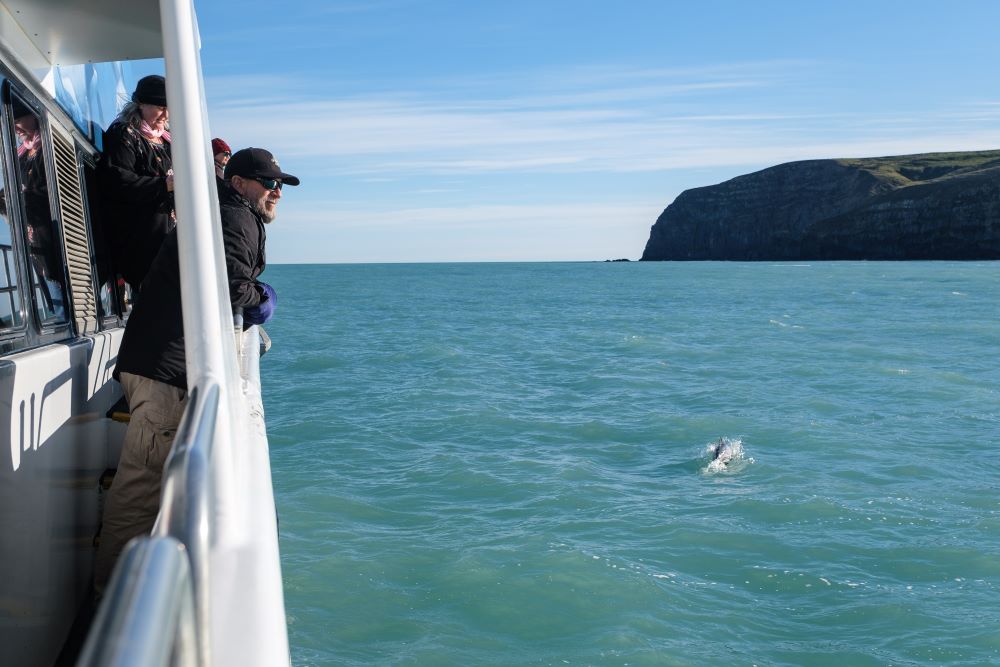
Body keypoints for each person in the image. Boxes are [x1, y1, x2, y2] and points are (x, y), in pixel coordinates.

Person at [94, 147, 299, 592]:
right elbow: (233, 283)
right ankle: (110, 594)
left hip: (160, 362)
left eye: (281, 186)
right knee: (141, 486)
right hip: (165, 369)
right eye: (269, 183)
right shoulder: (233, 217)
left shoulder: (229, 214)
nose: (276, 193)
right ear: (240, 183)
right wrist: (263, 301)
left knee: (150, 482)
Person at [99, 74, 174, 290]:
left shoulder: (168, 139)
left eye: (169, 107)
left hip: (169, 239)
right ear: (140, 103)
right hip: (141, 243)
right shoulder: (124, 134)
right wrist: (164, 185)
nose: (165, 114)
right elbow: (117, 182)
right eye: (160, 106)